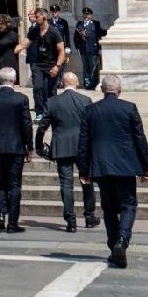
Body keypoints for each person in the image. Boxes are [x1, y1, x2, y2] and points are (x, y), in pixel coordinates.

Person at [78, 73, 148, 269]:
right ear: (119, 90)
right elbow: (140, 139)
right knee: (128, 204)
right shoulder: (129, 108)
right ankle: (122, 241)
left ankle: (114, 246)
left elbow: (83, 143)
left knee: (109, 208)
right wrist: (145, 167)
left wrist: (83, 170)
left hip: (101, 167)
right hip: (126, 166)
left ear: (102, 89)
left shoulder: (90, 110)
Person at [36, 71, 96, 232]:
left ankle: (71, 220)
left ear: (62, 84)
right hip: (82, 147)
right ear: (77, 84)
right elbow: (92, 127)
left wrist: (39, 146)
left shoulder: (53, 102)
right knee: (86, 181)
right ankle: (89, 217)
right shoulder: (86, 101)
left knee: (66, 184)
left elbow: (42, 126)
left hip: (62, 147)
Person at [0, 66, 33, 233]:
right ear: (15, 80)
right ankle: (12, 223)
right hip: (17, 147)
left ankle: (1, 215)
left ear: (0, 80)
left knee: (3, 180)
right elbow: (27, 124)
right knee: (15, 183)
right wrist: (30, 147)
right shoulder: (21, 99)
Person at [19, 8, 67, 119]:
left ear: (43, 17)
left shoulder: (54, 31)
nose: (34, 18)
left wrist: (57, 66)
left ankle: (51, 111)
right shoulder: (34, 30)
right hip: (37, 63)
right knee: (37, 87)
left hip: (51, 64)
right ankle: (39, 112)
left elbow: (61, 50)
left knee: (50, 89)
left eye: (36, 17)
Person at [73, 7, 107, 89]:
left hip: (93, 49)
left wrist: (108, 31)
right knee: (85, 68)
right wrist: (78, 47)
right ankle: (87, 84)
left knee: (93, 68)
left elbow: (100, 33)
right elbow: (75, 37)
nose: (86, 16)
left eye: (88, 14)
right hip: (83, 50)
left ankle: (93, 84)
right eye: (85, 14)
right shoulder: (79, 24)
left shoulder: (95, 24)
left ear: (91, 15)